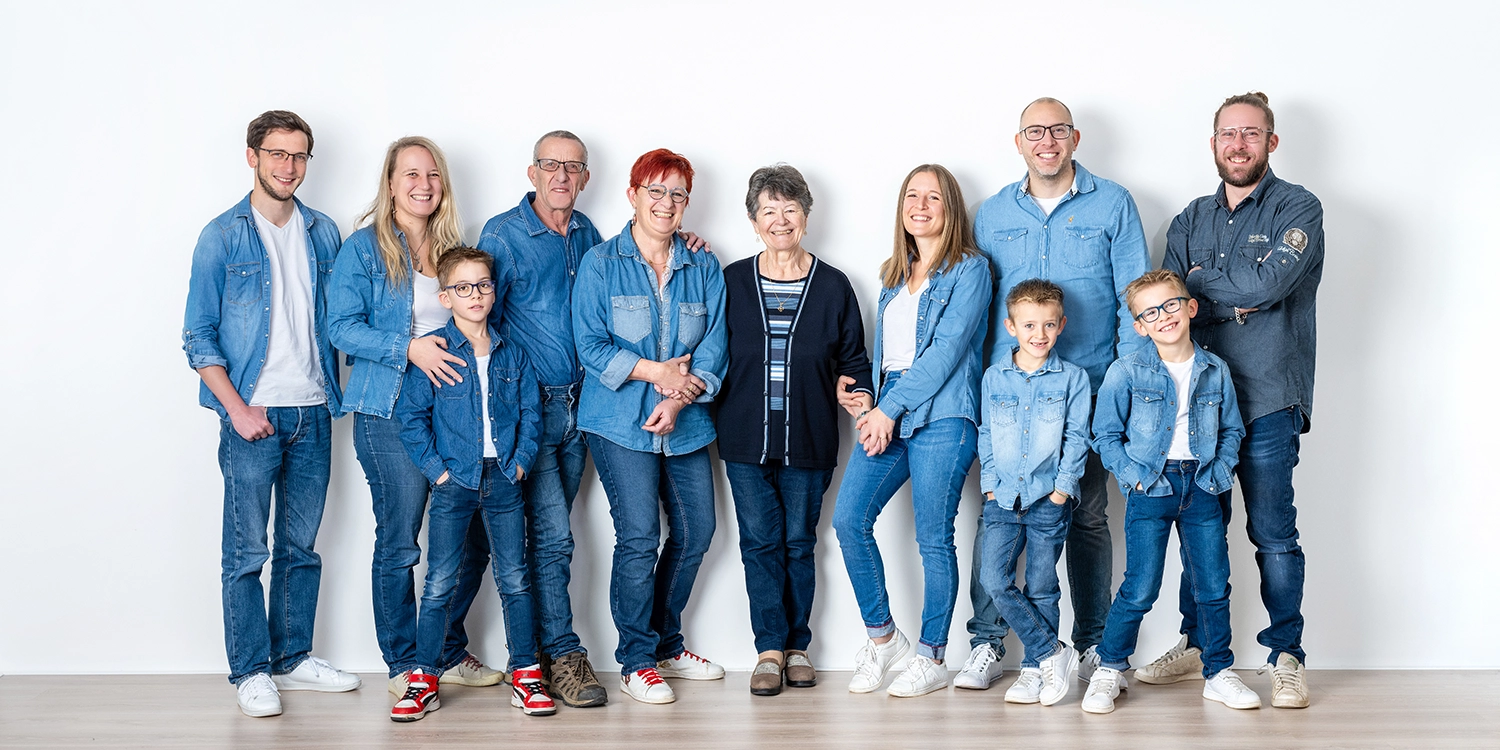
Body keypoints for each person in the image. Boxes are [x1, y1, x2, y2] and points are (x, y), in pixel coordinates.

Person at [961, 97, 1150, 691]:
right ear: (1018, 141)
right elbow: (981, 304)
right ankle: (988, 643)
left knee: (1087, 517)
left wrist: (1125, 387)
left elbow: (1132, 298)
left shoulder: (1113, 203)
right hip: (1009, 396)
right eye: (1034, 132)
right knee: (996, 517)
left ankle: (1091, 645)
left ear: (1075, 137)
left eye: (1058, 130)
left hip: (1087, 390)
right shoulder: (992, 213)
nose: (1047, 141)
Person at [183, 110, 360, 718]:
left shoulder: (324, 232)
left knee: (300, 548)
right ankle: (251, 670)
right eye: (278, 154)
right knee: (246, 553)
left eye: (299, 155)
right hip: (252, 415)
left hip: (314, 410)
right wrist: (236, 409)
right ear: (252, 156)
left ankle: (292, 657)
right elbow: (198, 335)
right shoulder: (222, 235)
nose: (289, 167)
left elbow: (342, 319)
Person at [1159, 91, 1323, 709]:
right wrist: (1232, 297)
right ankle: (1198, 643)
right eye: (1228, 134)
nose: (1238, 144)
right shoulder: (1189, 219)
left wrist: (1204, 290)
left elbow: (1268, 282)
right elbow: (1170, 299)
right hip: (1198, 402)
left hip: (1268, 399)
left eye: (1251, 134)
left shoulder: (1298, 207)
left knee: (1273, 534)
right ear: (1213, 143)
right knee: (1200, 529)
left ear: (1271, 142)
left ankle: (1286, 656)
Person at [327, 136, 501, 696]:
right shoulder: (363, 249)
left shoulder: (457, 249)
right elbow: (340, 327)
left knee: (472, 540)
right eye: (411, 174)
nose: (423, 184)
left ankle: (444, 649)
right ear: (391, 182)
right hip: (386, 411)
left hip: (456, 417)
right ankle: (407, 662)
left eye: (433, 175)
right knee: (401, 541)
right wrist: (410, 346)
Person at [570, 148, 729, 705]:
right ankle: (637, 660)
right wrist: (655, 372)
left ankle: (665, 643)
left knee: (697, 531)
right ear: (633, 194)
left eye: (678, 194)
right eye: (656, 191)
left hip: (686, 423)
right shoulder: (599, 263)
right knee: (638, 537)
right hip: (618, 423)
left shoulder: (703, 265)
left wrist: (682, 394)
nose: (667, 203)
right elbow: (589, 345)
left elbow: (714, 347)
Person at [831, 164, 991, 698]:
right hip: (893, 403)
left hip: (944, 409)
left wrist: (889, 410)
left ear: (951, 208)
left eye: (934, 198)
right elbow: (889, 356)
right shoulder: (892, 276)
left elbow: (944, 353)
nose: (920, 206)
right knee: (849, 520)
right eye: (912, 196)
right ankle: (884, 641)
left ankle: (931, 655)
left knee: (932, 539)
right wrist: (866, 400)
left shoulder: (970, 269)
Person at [717, 164, 874, 696]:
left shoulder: (832, 285)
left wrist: (857, 394)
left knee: (799, 543)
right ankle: (768, 650)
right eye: (769, 211)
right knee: (759, 542)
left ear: (806, 216)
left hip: (809, 437)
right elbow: (711, 348)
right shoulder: (731, 280)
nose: (780, 220)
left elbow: (853, 358)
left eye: (790, 209)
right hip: (743, 437)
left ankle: (798, 647)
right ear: (753, 220)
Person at [1081, 269, 1256, 714]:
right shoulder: (1126, 371)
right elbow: (1104, 434)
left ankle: (1218, 671)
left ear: (1190, 307)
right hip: (1150, 489)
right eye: (1151, 312)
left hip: (1202, 486)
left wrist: (1217, 471)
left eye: (1172, 305)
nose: (1164, 316)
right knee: (1140, 587)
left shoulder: (1215, 369)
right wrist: (1135, 477)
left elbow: (1232, 429)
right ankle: (1109, 669)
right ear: (1139, 325)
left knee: (1213, 585)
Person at [475, 131, 607, 708]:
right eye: (551, 165)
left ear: (585, 178)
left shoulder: (589, 236)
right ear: (532, 173)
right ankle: (561, 654)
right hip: (533, 408)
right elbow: (485, 325)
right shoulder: (502, 235)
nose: (561, 176)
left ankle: (520, 656)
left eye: (573, 167)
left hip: (586, 407)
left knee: (545, 536)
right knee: (552, 537)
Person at [391, 248, 552, 721]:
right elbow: (411, 420)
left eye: (482, 284)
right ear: (445, 297)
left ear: (493, 289)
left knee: (515, 578)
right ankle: (423, 678)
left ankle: (525, 673)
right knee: (439, 581)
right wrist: (439, 472)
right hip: (454, 482)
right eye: (463, 287)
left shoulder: (513, 353)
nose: (475, 294)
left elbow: (530, 414)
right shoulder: (436, 351)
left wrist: (520, 463)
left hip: (502, 479)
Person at [975, 279, 1092, 707]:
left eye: (1047, 325)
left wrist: (1062, 491)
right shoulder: (994, 377)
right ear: (1011, 327)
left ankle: (1031, 670)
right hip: (1002, 498)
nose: (1038, 335)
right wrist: (989, 486)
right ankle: (1052, 653)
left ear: (1061, 325)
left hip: (1048, 499)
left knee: (1043, 585)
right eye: (1029, 325)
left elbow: (1078, 437)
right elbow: (986, 434)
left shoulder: (1073, 379)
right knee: (994, 579)